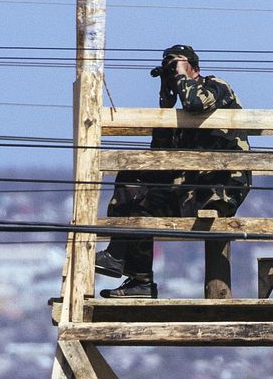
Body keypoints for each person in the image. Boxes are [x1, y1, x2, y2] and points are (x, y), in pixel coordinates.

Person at [95, 44, 251, 298]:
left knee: (139, 188)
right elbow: (158, 160)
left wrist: (181, 75)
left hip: (217, 193)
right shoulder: (177, 115)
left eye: (177, 65)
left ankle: (119, 257)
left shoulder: (217, 87)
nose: (174, 74)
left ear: (195, 68)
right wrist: (165, 106)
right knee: (131, 184)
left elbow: (195, 101)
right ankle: (138, 279)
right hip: (188, 192)